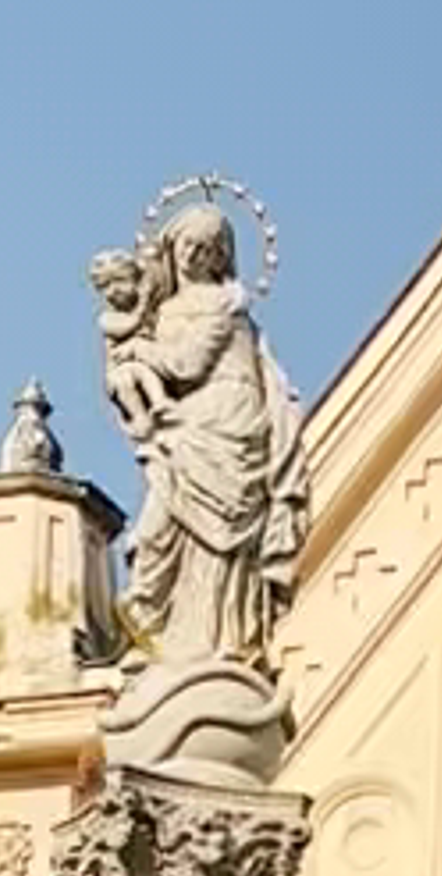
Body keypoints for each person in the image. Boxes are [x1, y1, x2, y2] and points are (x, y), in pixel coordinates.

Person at [91, 190, 308, 674]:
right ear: (173, 248)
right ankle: (155, 627)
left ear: (221, 256)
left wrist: (141, 355)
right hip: (185, 430)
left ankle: (225, 641)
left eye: (207, 247)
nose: (194, 255)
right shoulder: (163, 308)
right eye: (188, 245)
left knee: (225, 541)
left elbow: (186, 363)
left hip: (226, 418)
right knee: (158, 533)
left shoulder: (225, 306)